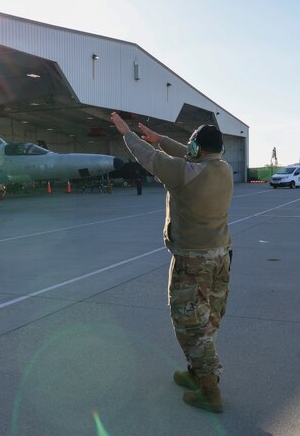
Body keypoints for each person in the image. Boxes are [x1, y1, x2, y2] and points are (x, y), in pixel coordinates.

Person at [110, 112, 233, 413]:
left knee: (191, 325)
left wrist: (128, 134)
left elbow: (148, 157)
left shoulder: (184, 173)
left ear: (196, 150)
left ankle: (209, 390)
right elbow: (192, 158)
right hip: (221, 257)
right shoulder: (223, 168)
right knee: (209, 319)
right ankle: (195, 372)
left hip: (193, 262)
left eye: (191, 145)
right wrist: (162, 139)